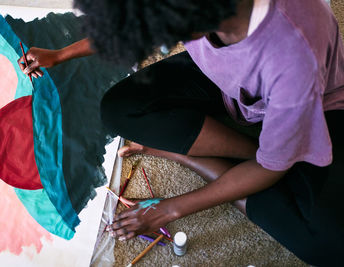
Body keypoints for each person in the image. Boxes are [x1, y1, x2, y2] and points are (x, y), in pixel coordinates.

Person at [18, 0, 344, 265]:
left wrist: (169, 208)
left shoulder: (294, 57)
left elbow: (272, 168)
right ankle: (253, 154)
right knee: (119, 109)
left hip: (316, 111)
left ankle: (196, 156)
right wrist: (61, 54)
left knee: (329, 248)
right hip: (226, 83)